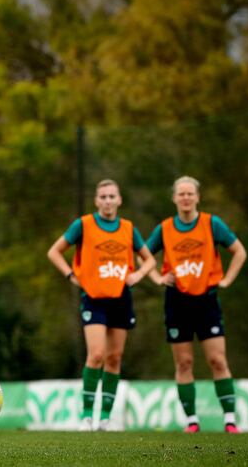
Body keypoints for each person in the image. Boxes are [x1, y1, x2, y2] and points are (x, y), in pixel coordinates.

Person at [47, 179, 156, 432]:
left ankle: (105, 418)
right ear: (97, 201)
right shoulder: (83, 225)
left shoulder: (128, 228)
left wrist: (138, 276)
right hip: (94, 298)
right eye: (103, 197)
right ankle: (87, 416)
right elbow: (54, 251)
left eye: (112, 197)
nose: (108, 201)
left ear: (119, 200)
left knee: (114, 358)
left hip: (121, 298)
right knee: (96, 355)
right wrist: (70, 275)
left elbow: (148, 260)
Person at [146, 176, 246, 434]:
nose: (186, 198)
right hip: (177, 301)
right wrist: (157, 276)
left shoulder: (212, 224)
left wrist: (226, 280)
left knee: (217, 360)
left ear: (198, 197)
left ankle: (230, 421)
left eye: (190, 194)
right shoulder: (165, 228)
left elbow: (240, 252)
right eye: (181, 194)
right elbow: (143, 255)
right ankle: (192, 421)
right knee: (184, 363)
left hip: (207, 300)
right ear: (174, 198)